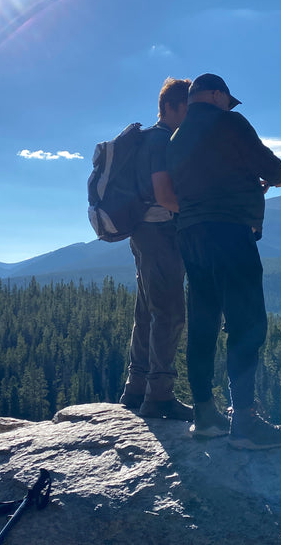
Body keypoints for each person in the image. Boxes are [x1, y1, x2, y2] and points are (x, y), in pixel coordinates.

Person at [166, 73, 281, 449]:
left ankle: (205, 415)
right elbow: (272, 170)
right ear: (216, 95)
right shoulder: (231, 123)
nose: (229, 105)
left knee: (203, 320)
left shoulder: (176, 139)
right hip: (229, 232)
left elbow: (197, 184)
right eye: (227, 98)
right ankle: (245, 424)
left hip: (190, 234)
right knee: (247, 322)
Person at [120, 77, 193, 421]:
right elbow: (165, 197)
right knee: (171, 312)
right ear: (170, 108)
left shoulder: (146, 139)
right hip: (160, 233)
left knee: (147, 310)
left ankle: (135, 389)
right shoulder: (163, 141)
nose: (190, 118)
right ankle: (159, 396)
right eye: (187, 110)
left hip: (142, 233)